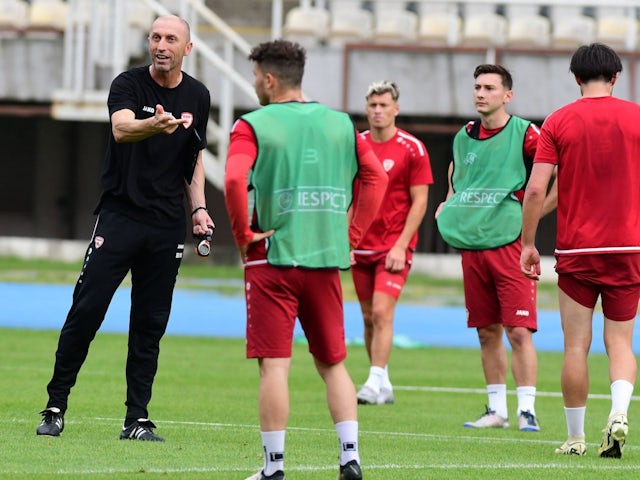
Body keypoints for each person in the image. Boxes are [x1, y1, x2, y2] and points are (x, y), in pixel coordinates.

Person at [36, 15, 213, 442]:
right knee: (86, 312)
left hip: (167, 225)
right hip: (119, 217)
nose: (161, 45)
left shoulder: (198, 95)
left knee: (149, 324)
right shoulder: (128, 84)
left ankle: (136, 419)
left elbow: (193, 159)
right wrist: (153, 124)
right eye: (155, 37)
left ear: (187, 48)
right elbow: (121, 129)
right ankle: (56, 406)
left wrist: (199, 209)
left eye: (171, 38)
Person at [224, 39, 387, 480]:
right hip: (325, 258)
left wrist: (243, 235)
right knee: (333, 363)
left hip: (272, 256)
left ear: (270, 79)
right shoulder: (341, 124)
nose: (255, 82)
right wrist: (352, 233)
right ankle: (350, 457)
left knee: (274, 365)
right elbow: (377, 176)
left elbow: (235, 178)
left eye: (257, 76)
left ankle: (273, 467)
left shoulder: (252, 124)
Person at [521, 43, 640, 458]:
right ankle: (620, 413)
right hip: (629, 247)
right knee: (621, 343)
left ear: (574, 77)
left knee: (575, 346)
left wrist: (527, 243)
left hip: (577, 251)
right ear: (616, 77)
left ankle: (575, 439)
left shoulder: (559, 119)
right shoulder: (637, 117)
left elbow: (537, 188)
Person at [435, 64, 556, 432]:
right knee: (486, 329)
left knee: (518, 330)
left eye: (489, 87)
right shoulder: (463, 136)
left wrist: (528, 221)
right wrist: (449, 206)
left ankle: (527, 411)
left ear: (508, 95)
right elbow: (458, 178)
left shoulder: (526, 134)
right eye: (477, 87)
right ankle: (496, 410)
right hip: (473, 245)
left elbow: (559, 174)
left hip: (510, 245)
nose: (480, 93)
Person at [352, 80, 432, 405]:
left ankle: (372, 383)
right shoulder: (355, 144)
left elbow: (420, 201)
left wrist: (401, 245)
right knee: (369, 317)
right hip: (361, 245)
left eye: (384, 105)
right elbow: (349, 195)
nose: (377, 111)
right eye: (372, 105)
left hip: (393, 247)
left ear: (395, 109)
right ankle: (382, 382)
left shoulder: (412, 148)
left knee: (383, 312)